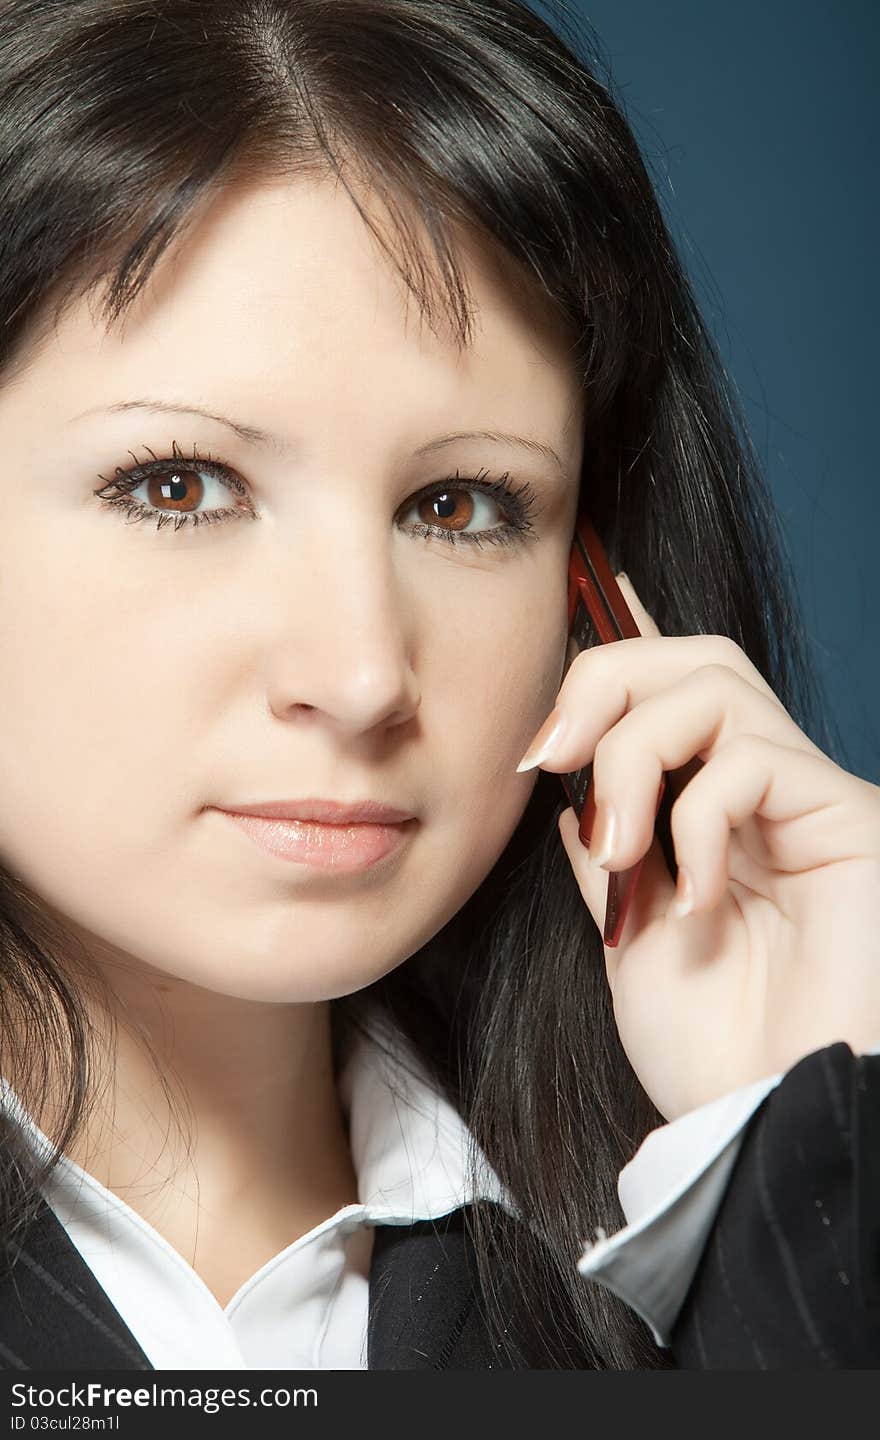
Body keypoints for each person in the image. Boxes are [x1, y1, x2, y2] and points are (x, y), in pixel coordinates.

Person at [0, 0, 877, 1373]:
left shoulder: (695, 1246)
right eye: (178, 486)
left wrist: (794, 1146)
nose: (359, 677)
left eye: (460, 504)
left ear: (599, 597)